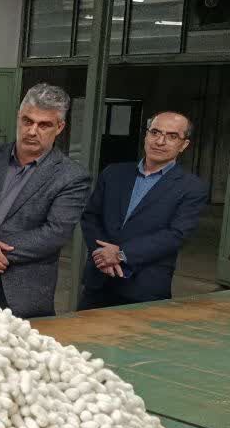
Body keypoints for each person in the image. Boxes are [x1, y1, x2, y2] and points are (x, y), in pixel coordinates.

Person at [0, 84, 90, 318]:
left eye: (44, 125)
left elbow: (55, 232)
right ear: (18, 117)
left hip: (21, 290)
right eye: (27, 121)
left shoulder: (71, 176)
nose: (32, 131)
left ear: (60, 127)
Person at [79, 112, 209, 310]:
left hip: (144, 288)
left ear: (184, 145)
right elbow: (91, 217)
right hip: (99, 280)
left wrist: (121, 254)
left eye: (172, 136)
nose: (160, 141)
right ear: (146, 135)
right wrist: (101, 254)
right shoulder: (113, 173)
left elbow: (176, 235)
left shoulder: (192, 187)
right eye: (155, 132)